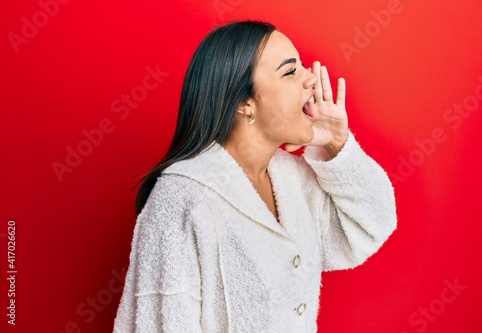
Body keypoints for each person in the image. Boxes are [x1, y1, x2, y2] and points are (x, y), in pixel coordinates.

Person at [112, 20, 397, 333]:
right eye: (290, 71)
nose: (311, 79)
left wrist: (336, 143)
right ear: (244, 104)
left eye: (302, 66)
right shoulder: (183, 199)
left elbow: (373, 223)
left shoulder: (291, 181)